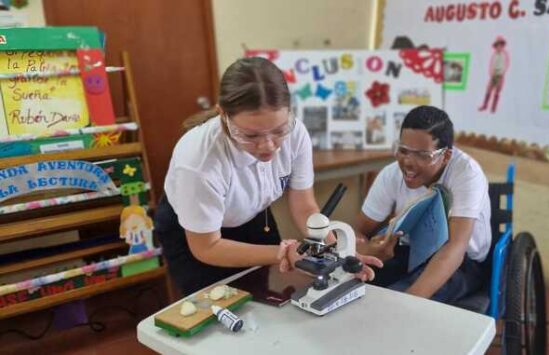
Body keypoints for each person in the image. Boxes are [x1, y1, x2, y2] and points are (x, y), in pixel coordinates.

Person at [155, 57, 381, 295]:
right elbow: (207, 247)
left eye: (278, 131)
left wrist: (337, 252)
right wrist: (283, 253)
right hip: (197, 234)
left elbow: (304, 206)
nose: (268, 146)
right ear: (223, 115)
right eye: (251, 136)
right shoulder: (198, 162)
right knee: (213, 306)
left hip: (252, 216)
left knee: (260, 295)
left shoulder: (296, 133)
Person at [355, 106, 491, 303]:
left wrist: (409, 302)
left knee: (394, 302)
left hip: (463, 262)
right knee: (356, 287)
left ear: (445, 156)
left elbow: (456, 247)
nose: (408, 162)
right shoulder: (391, 174)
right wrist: (367, 250)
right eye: (403, 150)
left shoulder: (467, 174)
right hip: (409, 253)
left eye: (422, 155)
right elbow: (359, 231)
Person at [478, 36, 510, 113]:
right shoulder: (494, 55)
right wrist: (491, 72)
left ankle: (493, 108)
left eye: (500, 45)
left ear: (502, 46)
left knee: (497, 91)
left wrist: (502, 73)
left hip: (500, 74)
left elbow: (506, 65)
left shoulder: (504, 55)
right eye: (497, 45)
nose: (499, 47)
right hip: (494, 74)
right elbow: (492, 64)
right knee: (488, 89)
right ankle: (485, 105)